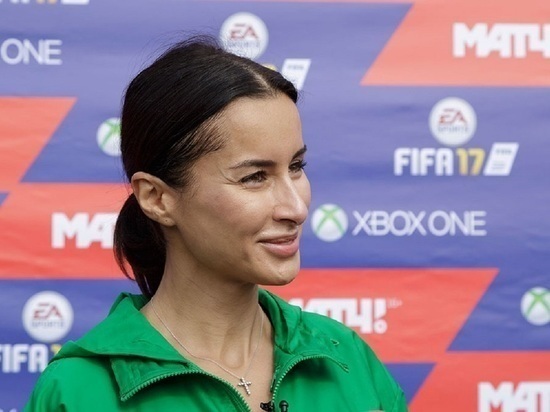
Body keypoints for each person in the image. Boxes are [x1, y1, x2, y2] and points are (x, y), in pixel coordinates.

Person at [25, 36, 408, 412]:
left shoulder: (346, 359)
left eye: (296, 167)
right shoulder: (79, 391)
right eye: (254, 177)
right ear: (156, 198)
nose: (295, 207)